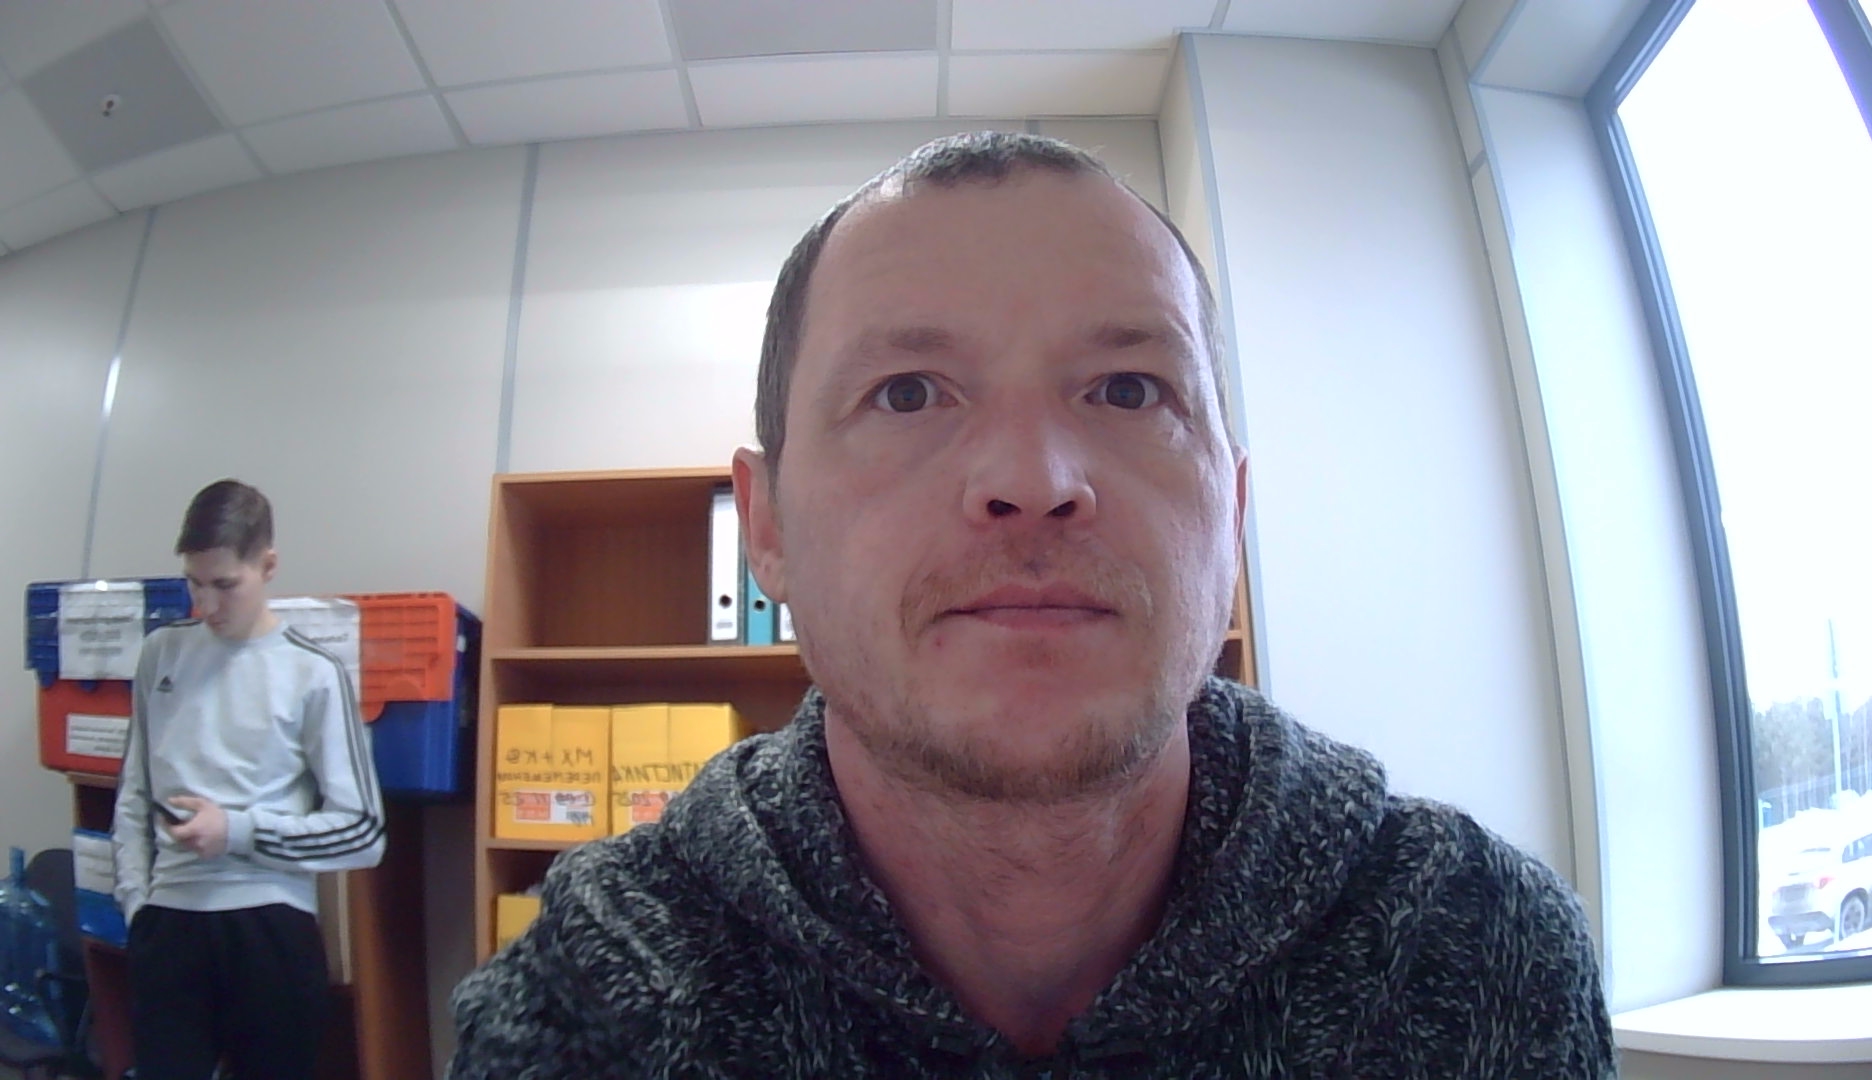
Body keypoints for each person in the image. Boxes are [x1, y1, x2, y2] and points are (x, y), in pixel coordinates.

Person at [451, 132, 1614, 1077]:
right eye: (908, 393)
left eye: (1128, 389)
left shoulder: (1484, 955)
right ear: (767, 528)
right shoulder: (587, 1007)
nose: (1033, 479)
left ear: (1231, 511)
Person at [112, 479, 387, 1080]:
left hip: (269, 925)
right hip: (169, 922)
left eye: (224, 585)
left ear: (267, 566)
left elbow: (364, 831)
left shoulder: (314, 672)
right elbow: (134, 792)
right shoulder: (161, 653)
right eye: (194, 583)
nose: (205, 604)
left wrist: (237, 831)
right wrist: (138, 907)